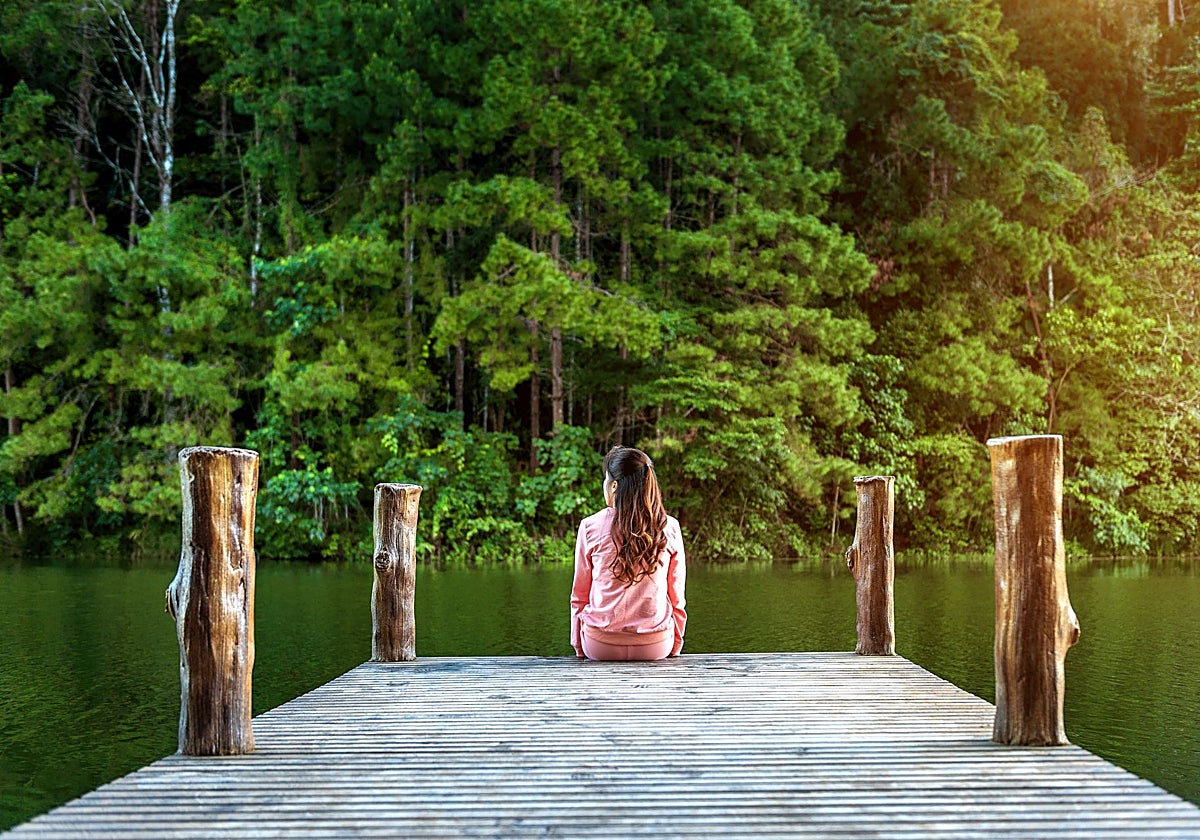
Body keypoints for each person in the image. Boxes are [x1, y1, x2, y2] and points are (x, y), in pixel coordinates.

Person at [570, 445, 686, 661]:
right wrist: (675, 644)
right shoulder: (669, 527)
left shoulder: (589, 526)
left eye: (606, 479)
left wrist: (579, 646)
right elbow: (676, 597)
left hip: (599, 646)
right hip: (656, 646)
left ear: (614, 485)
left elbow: (580, 595)